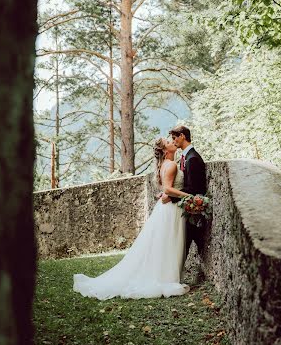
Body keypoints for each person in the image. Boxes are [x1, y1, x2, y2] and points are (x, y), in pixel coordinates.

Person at [73, 137, 191, 300]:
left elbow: (166, 190)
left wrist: (167, 195)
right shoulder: (170, 165)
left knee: (164, 243)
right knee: (169, 241)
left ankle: (166, 275)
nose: (172, 142)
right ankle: (166, 278)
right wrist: (190, 196)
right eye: (168, 142)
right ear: (165, 151)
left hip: (166, 208)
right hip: (171, 210)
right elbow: (168, 189)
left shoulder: (164, 165)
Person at [168, 125, 207, 259]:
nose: (173, 142)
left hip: (193, 211)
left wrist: (171, 196)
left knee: (184, 245)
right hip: (187, 208)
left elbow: (193, 189)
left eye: (174, 138)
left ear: (182, 136)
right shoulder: (186, 157)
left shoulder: (192, 159)